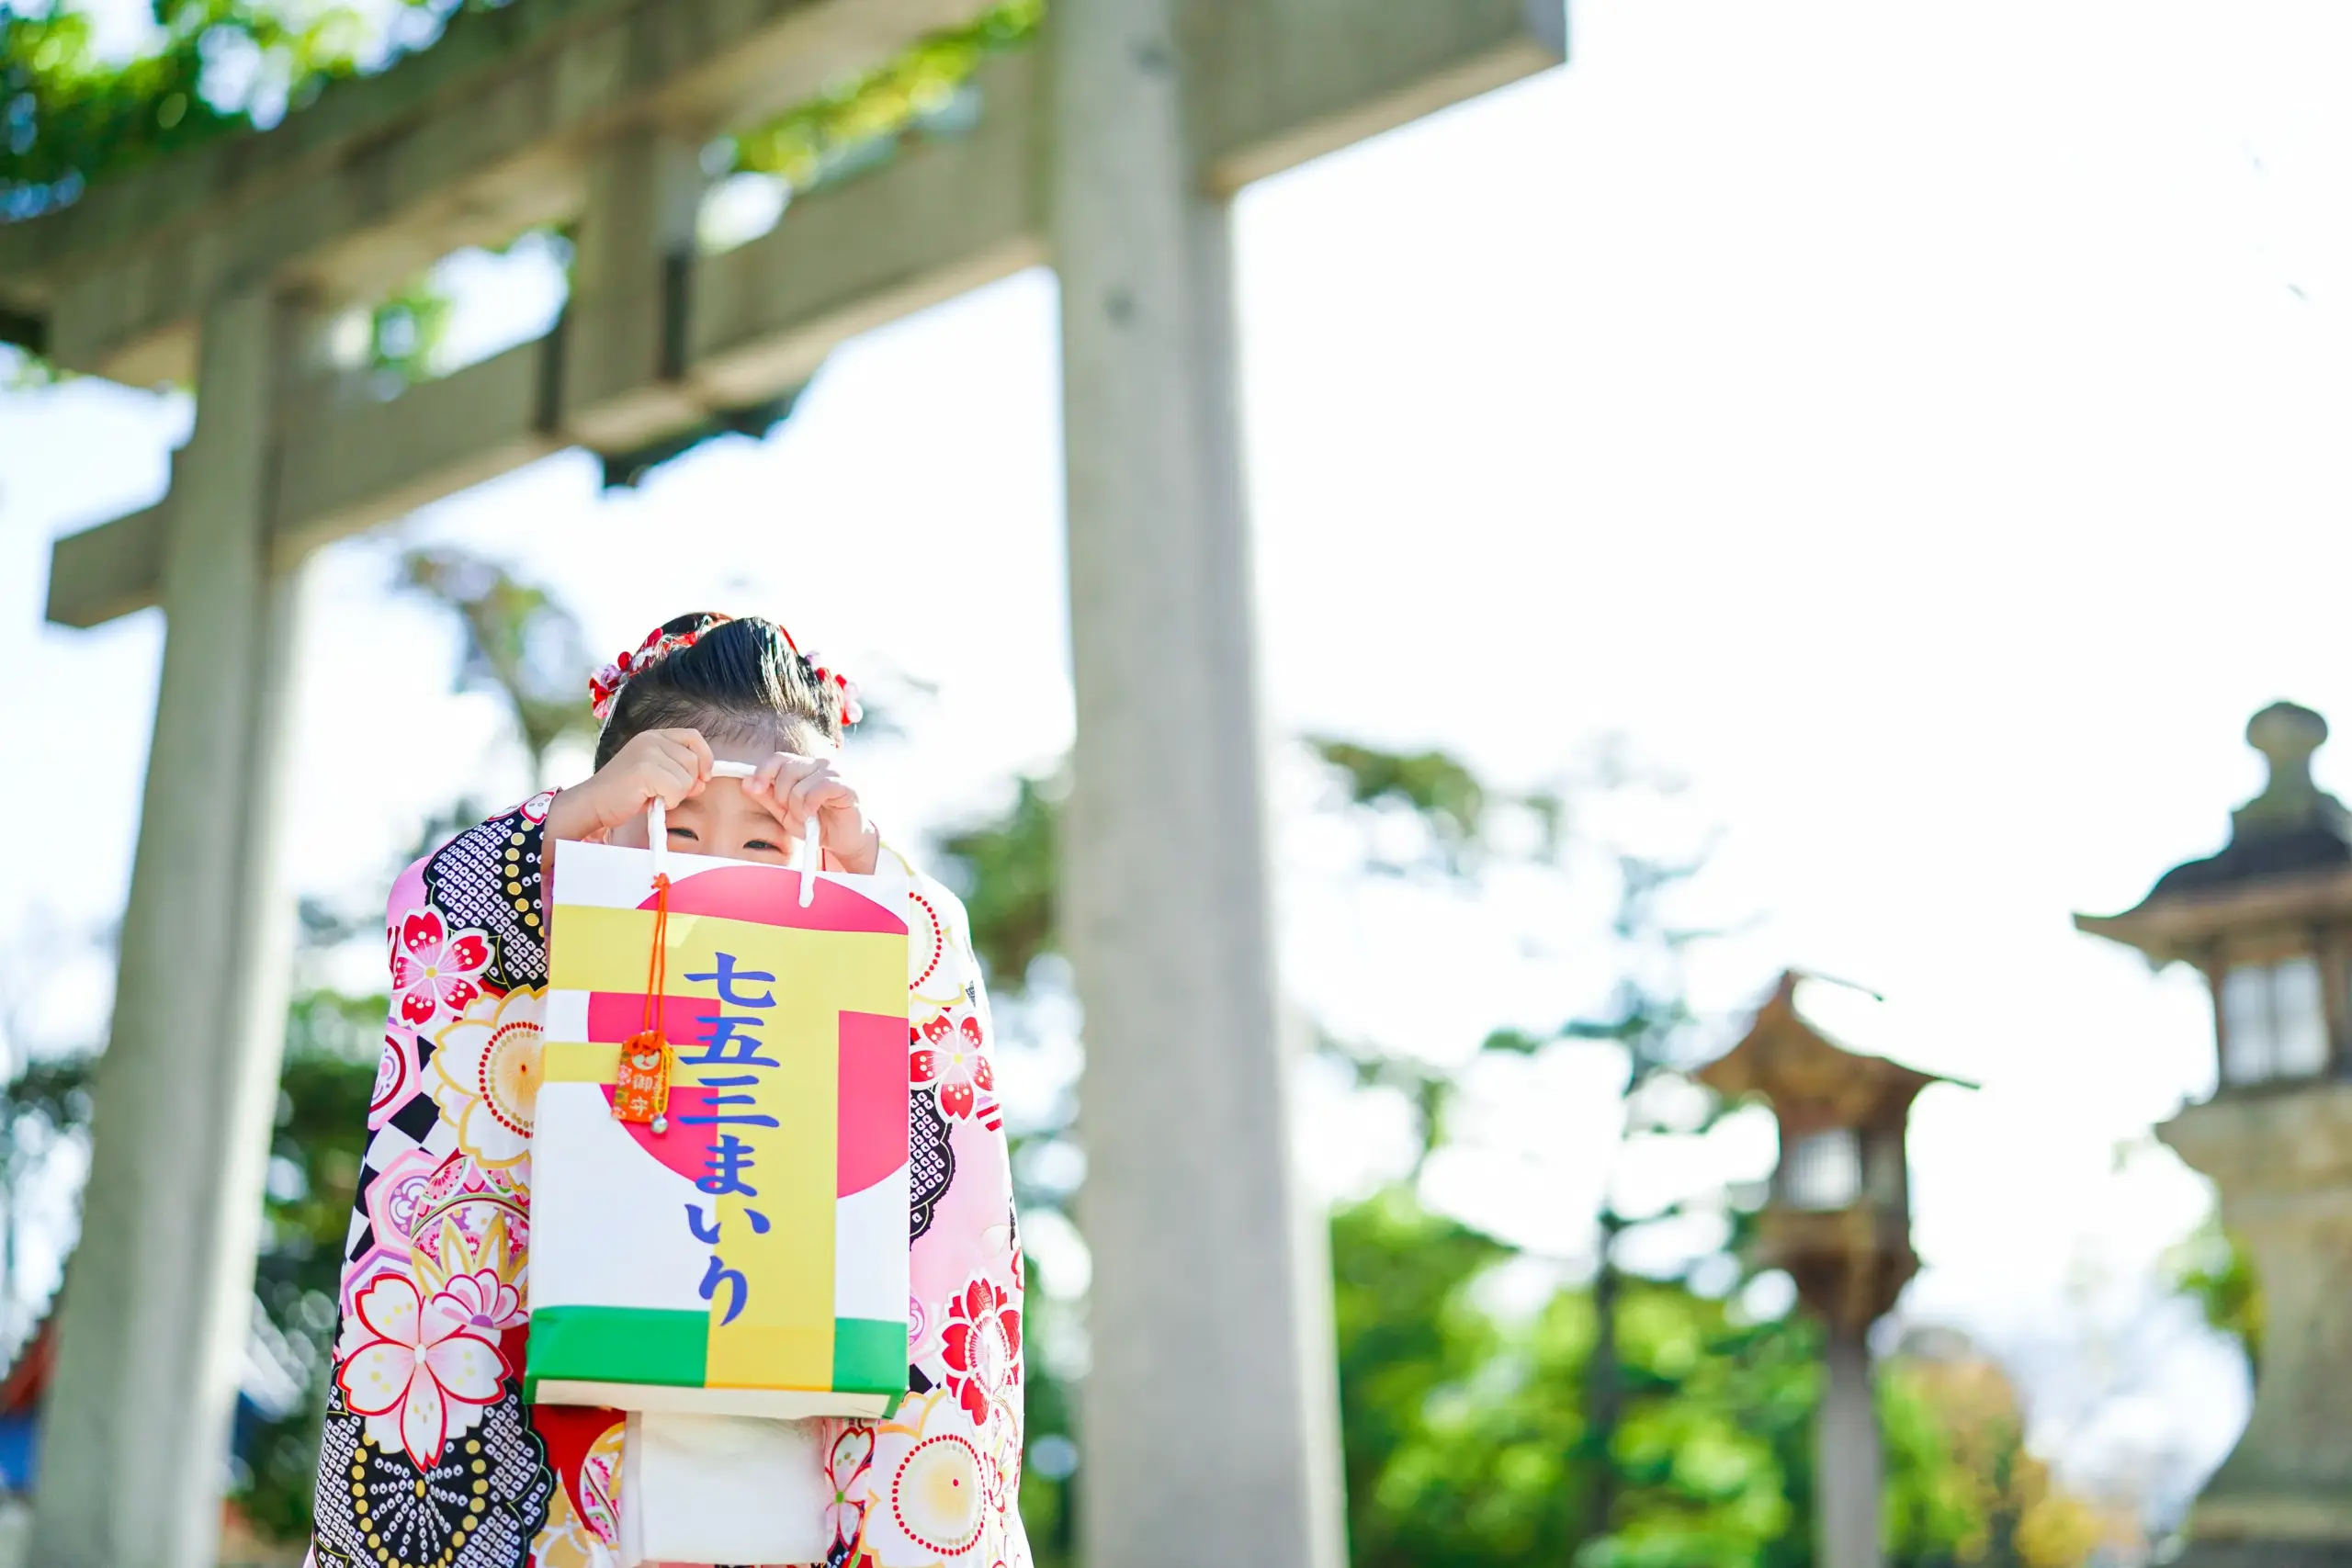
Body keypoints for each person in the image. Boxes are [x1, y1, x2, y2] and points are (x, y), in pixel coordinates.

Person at [309, 615, 1029, 1568]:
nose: (716, 871)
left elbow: (944, 1028)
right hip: (575, 1490)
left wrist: (875, 887)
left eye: (766, 845)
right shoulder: (559, 947)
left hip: (808, 1488)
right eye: (676, 832)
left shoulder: (879, 961)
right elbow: (436, 926)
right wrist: (560, 836)